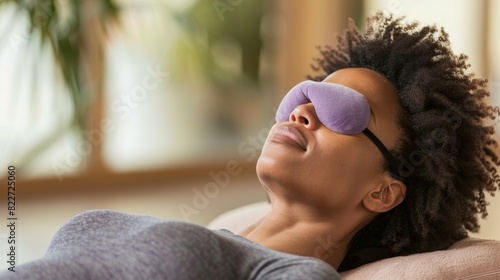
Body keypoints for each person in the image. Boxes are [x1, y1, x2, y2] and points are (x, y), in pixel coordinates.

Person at [1, 11, 498, 279]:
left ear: (382, 192)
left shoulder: (289, 274)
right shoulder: (222, 235)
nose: (302, 112)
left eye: (342, 111)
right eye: (304, 98)